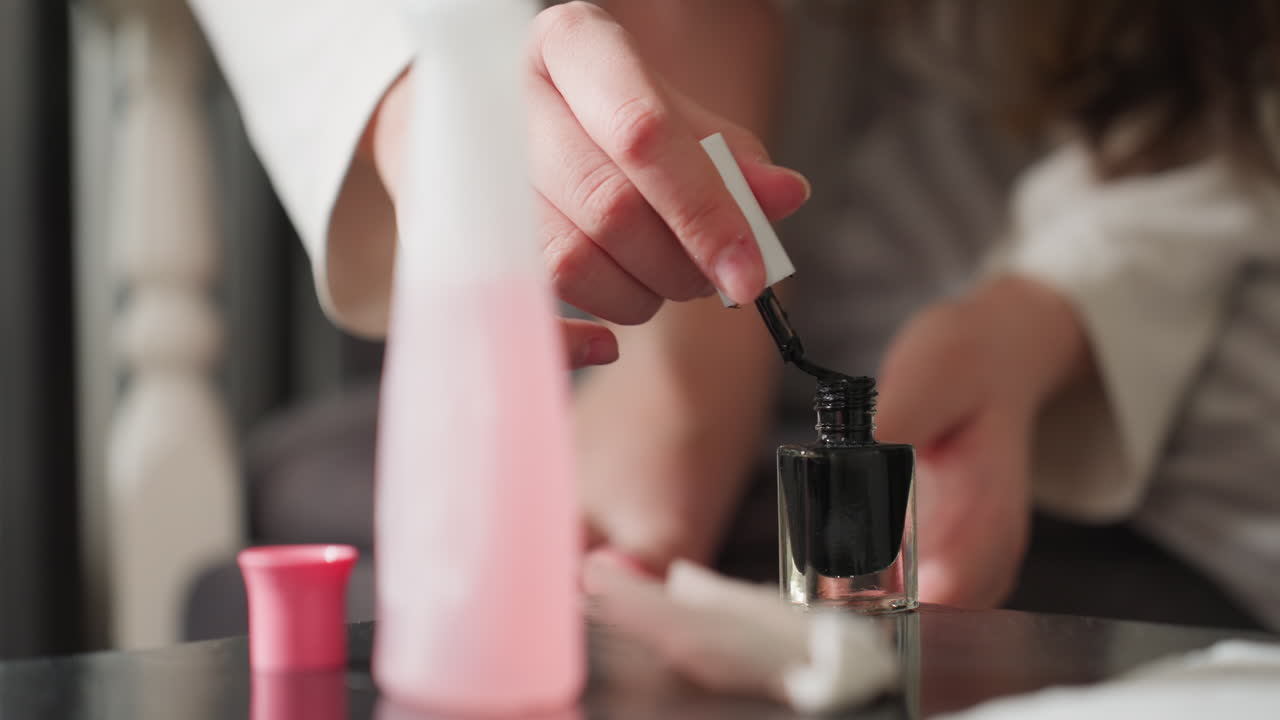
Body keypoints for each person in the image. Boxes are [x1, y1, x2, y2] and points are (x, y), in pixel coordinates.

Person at [189, 0, 1280, 628]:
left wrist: (1040, 324)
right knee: (312, 485)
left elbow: (1218, 116)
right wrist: (418, 92)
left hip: (1162, 369)